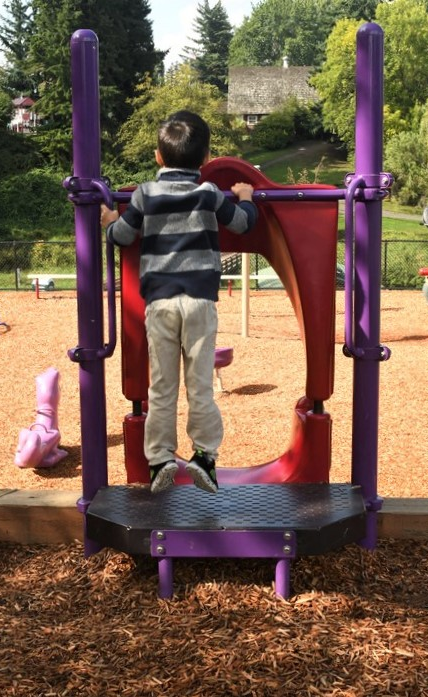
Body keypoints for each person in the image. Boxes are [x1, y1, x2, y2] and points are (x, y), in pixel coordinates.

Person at [101, 110, 258, 494]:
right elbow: (242, 224)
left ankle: (160, 460)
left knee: (162, 385)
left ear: (158, 156)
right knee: (200, 385)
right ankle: (204, 455)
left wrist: (107, 219)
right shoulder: (207, 194)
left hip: (161, 305)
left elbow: (122, 236)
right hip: (200, 303)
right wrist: (247, 197)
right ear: (205, 159)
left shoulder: (144, 194)